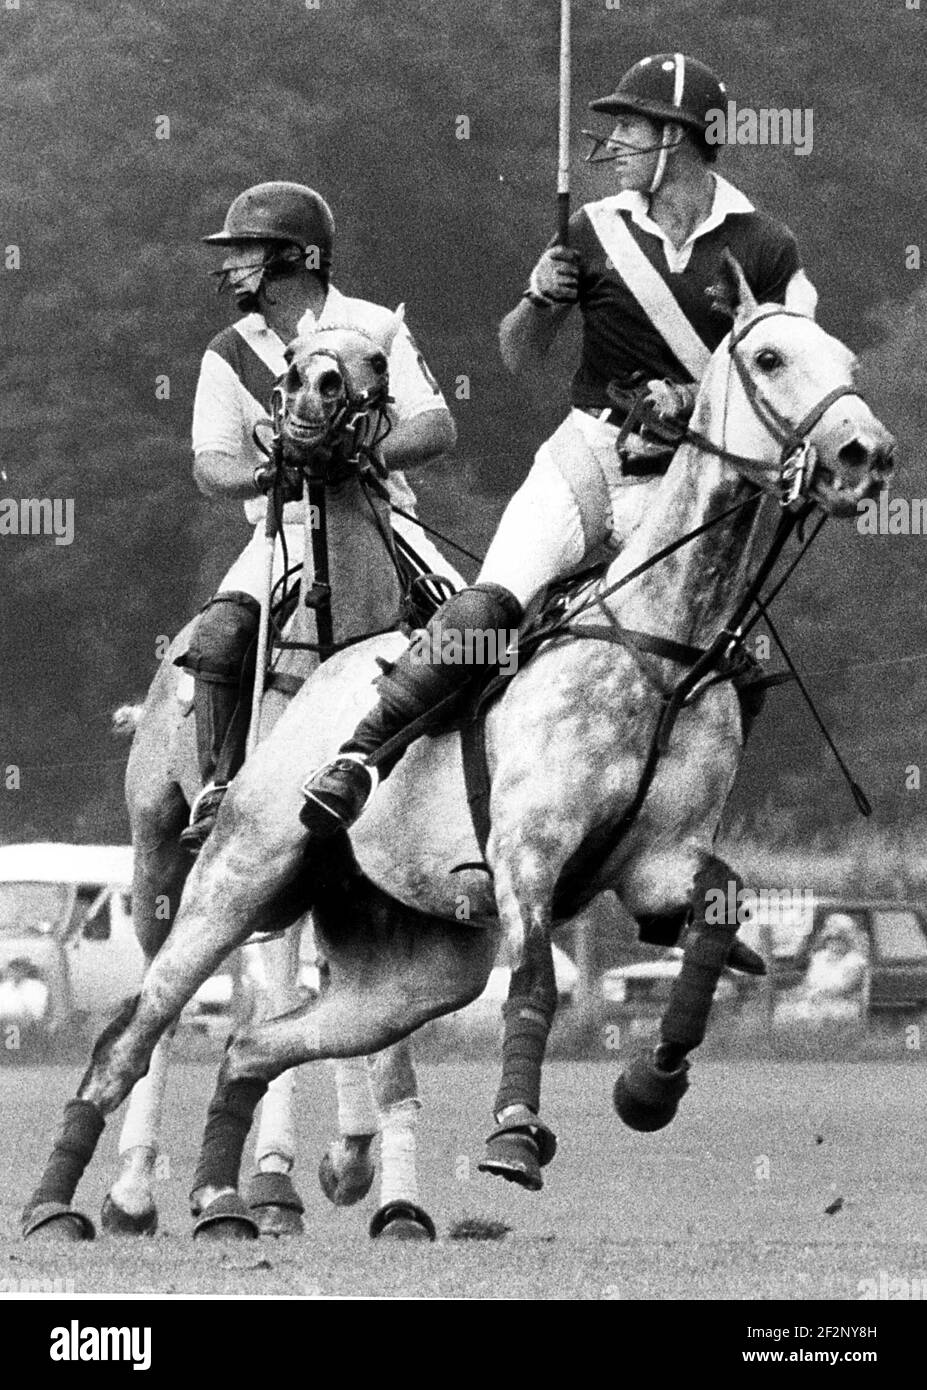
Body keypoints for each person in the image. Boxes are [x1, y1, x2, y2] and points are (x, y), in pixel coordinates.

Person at [299, 53, 818, 836]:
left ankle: (667, 830)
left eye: (630, 128)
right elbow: (518, 353)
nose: (613, 142)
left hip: (687, 486)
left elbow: (801, 369)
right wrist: (541, 297)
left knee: (725, 662)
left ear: (675, 138)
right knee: (495, 599)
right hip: (587, 456)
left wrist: (701, 392)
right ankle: (359, 758)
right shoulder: (591, 228)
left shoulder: (766, 246)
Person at [179, 181, 458, 850]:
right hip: (284, 531)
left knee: (469, 630)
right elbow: (208, 463)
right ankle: (220, 787)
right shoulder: (228, 349)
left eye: (245, 253)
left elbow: (435, 425)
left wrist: (366, 459)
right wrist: (262, 473)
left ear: (294, 259)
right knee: (219, 634)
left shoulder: (372, 327)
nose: (230, 268)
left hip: (380, 521)